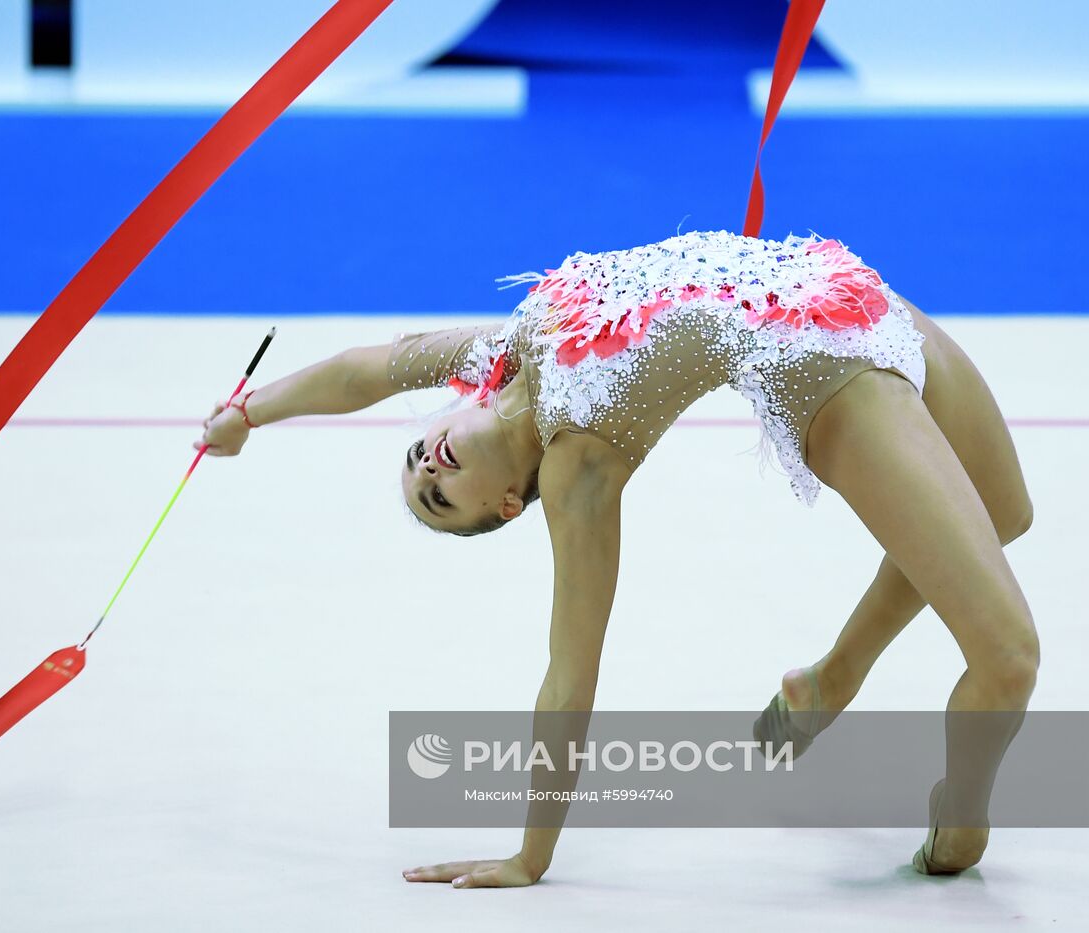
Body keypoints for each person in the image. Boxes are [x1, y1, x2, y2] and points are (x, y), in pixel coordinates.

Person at [194, 229, 1038, 887]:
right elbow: (569, 677)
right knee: (1007, 660)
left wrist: (248, 414)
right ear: (506, 506)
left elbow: (361, 371)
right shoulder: (576, 467)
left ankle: (831, 678)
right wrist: (530, 856)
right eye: (437, 501)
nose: (426, 470)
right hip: (824, 375)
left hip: (845, 291)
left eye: (414, 461)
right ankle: (957, 822)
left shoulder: (496, 357)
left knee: (1005, 513)